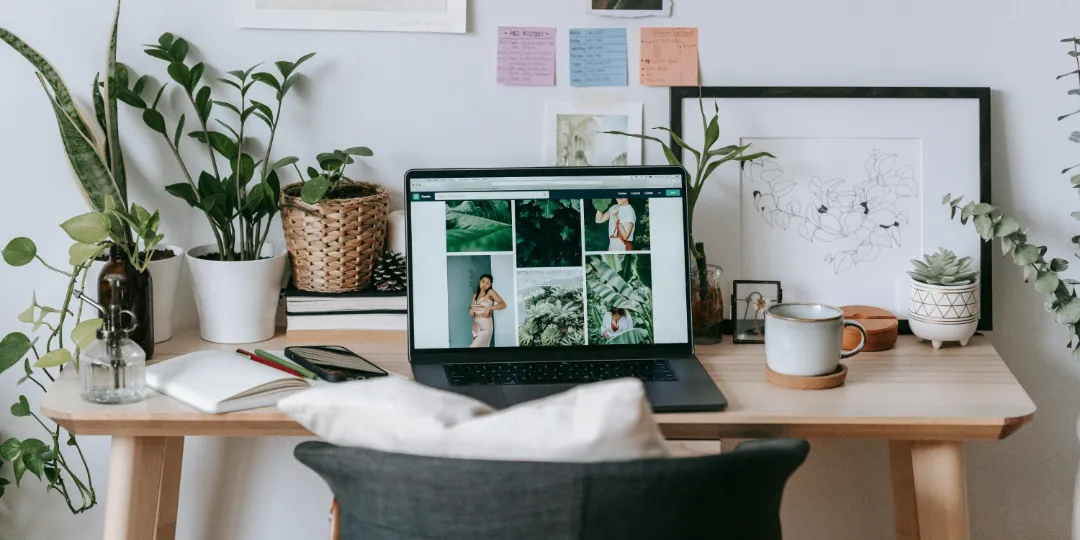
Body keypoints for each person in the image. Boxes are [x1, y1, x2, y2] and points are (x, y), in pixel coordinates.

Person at [468, 274, 506, 348]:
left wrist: (489, 308)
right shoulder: (475, 295)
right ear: (479, 281)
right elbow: (472, 307)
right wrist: (470, 309)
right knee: (480, 352)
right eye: (483, 281)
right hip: (475, 326)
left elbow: (503, 304)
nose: (484, 284)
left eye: (487, 283)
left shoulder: (490, 292)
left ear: (490, 285)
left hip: (485, 325)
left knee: (471, 349)